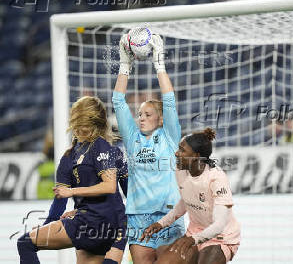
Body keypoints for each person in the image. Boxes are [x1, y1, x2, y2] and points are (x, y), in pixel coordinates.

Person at [17, 96, 127, 264]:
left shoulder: (96, 148)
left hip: (93, 222)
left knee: (25, 243)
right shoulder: (103, 152)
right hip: (109, 223)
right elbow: (128, 191)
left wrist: (72, 192)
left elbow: (110, 187)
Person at [112, 32, 184, 263]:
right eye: (140, 114)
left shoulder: (170, 136)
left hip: (168, 216)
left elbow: (169, 99)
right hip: (137, 218)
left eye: (148, 114)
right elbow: (117, 101)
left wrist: (158, 64)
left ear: (161, 119)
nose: (141, 118)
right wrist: (125, 65)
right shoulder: (132, 138)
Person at [140, 128, 241, 264]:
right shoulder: (180, 171)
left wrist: (193, 239)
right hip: (194, 234)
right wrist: (161, 223)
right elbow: (186, 201)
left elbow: (219, 225)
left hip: (221, 237)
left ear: (195, 156)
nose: (176, 153)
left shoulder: (216, 177)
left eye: (182, 150)